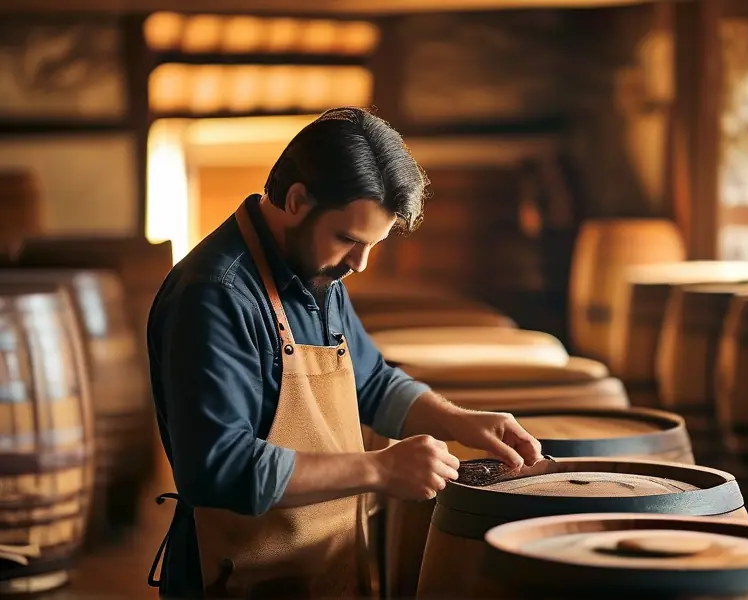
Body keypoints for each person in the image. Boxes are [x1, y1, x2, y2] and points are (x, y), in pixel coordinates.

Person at [146, 107, 543, 599]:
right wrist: (380, 468)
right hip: (236, 579)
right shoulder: (213, 295)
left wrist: (459, 420)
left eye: (372, 244)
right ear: (296, 200)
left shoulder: (316, 267)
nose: (360, 263)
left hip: (318, 570)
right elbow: (219, 469)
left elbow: (372, 382)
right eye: (349, 240)